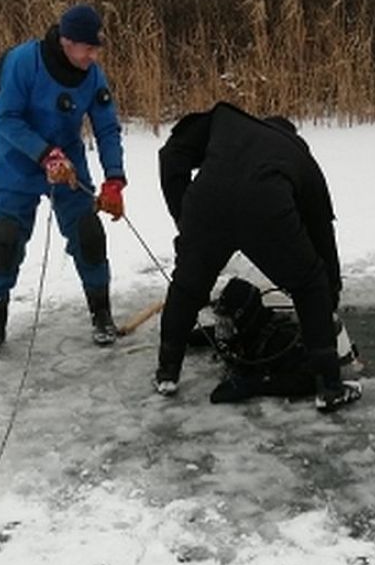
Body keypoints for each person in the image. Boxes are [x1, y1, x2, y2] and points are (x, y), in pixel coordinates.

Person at [152, 102, 362, 412]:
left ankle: (167, 373)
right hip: (266, 206)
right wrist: (328, 292)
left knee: (187, 288)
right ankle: (330, 386)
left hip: (207, 202)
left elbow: (170, 156)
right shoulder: (300, 157)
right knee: (309, 284)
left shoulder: (226, 120)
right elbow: (321, 231)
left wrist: (186, 221)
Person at [0, 3, 127, 358]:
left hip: (68, 166)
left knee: (88, 233)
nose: (92, 56)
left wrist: (114, 180)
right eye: (87, 48)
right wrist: (45, 155)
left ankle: (101, 313)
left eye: (96, 49)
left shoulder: (92, 75)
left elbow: (106, 127)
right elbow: (6, 117)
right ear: (66, 42)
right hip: (20, 162)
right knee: (5, 240)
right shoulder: (24, 62)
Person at [191, 276, 363, 404]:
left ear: (242, 318)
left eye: (226, 323)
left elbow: (305, 380)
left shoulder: (280, 343)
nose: (222, 330)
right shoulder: (243, 332)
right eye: (221, 322)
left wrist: (253, 386)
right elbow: (215, 334)